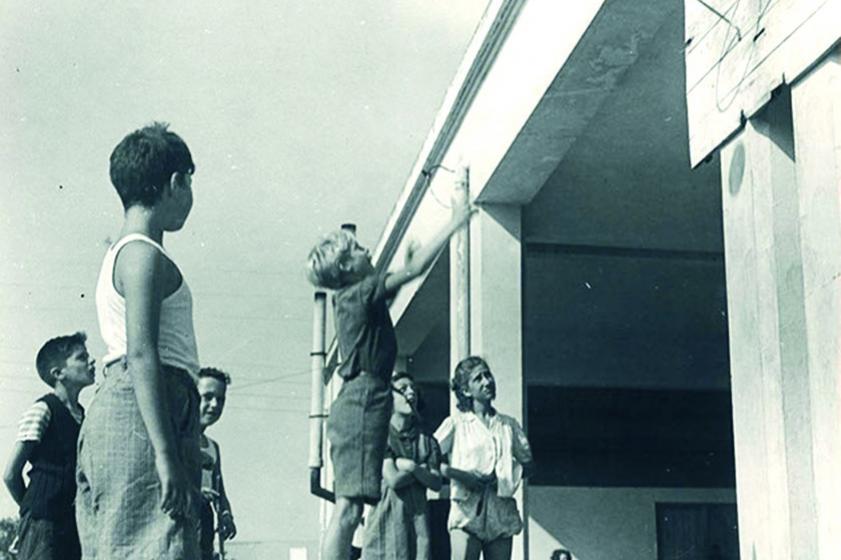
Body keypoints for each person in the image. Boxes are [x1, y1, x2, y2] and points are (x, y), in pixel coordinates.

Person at [306, 201, 473, 560]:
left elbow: (392, 290)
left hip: (366, 398)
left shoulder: (356, 299)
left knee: (351, 506)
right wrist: (453, 223)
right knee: (349, 508)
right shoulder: (359, 291)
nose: (367, 250)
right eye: (358, 249)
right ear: (346, 267)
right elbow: (413, 270)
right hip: (363, 398)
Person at [76, 122, 202, 559]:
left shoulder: (126, 252)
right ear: (176, 182)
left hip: (131, 408)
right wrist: (166, 453)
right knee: (158, 543)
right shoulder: (142, 254)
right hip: (146, 410)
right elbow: (142, 351)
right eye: (190, 183)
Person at [2, 332, 95, 560]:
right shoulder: (43, 409)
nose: (91, 361)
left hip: (71, 525)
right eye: (82, 358)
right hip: (43, 524)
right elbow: (10, 474)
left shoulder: (83, 416)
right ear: (58, 373)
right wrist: (32, 511)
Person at [434, 356, 535, 560]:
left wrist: (505, 476)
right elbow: (429, 457)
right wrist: (460, 475)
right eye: (478, 378)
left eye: (487, 375)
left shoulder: (508, 425)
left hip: (500, 512)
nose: (487, 382)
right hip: (467, 511)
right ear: (466, 390)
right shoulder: (457, 424)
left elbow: (529, 465)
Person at [362, 373, 442, 560]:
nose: (411, 392)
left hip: (417, 520)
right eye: (403, 388)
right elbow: (393, 479)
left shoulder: (427, 439)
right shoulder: (380, 436)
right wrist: (423, 471)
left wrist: (411, 466)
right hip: (386, 517)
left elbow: (437, 482)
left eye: (413, 388)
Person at [197, 367, 237, 560]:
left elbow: (220, 491)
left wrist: (226, 514)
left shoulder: (213, 447)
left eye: (220, 399)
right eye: (207, 397)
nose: (214, 405)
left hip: (204, 525)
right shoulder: (174, 439)